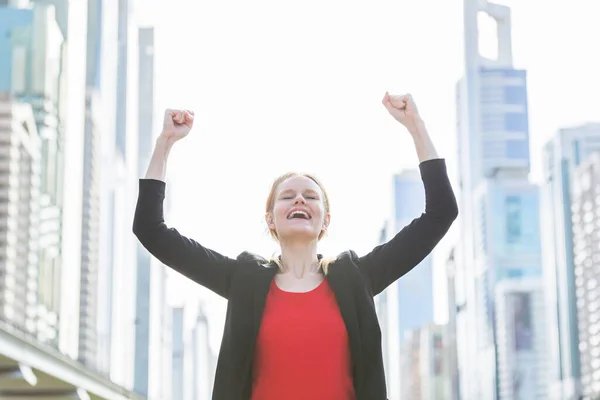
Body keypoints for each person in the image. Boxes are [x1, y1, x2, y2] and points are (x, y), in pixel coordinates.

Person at [133, 92, 458, 400]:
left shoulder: (357, 278)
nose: (299, 199)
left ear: (325, 220)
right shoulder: (243, 278)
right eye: (287, 197)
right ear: (270, 219)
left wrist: (416, 126)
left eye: (310, 196)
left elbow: (440, 213)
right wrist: (165, 143)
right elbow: (151, 230)